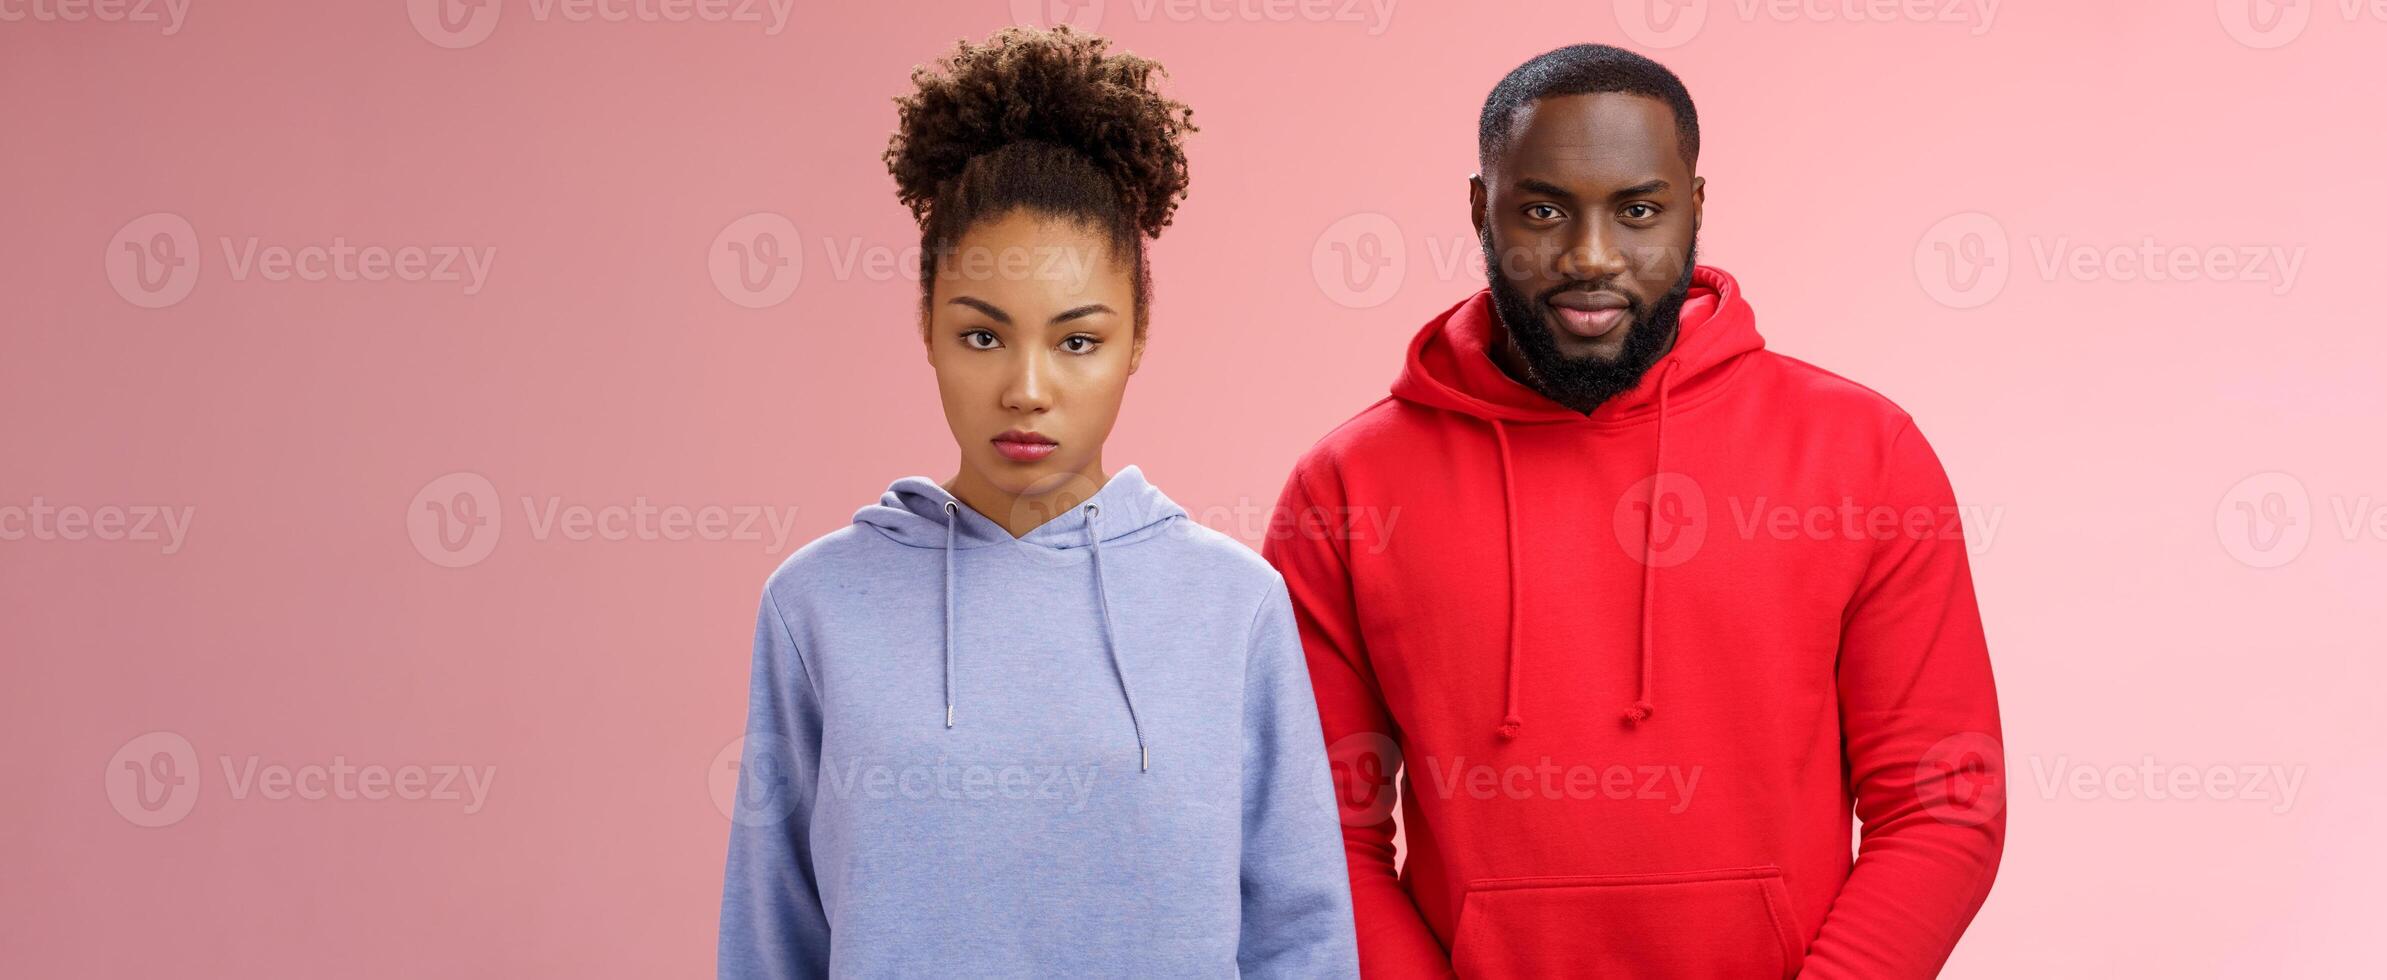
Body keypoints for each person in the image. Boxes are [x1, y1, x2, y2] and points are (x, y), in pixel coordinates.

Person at [1265, 43, 2005, 978]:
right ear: (1477, 209)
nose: (1590, 257)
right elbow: (1319, 832)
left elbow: (1944, 802)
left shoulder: (1863, 454)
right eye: (1542, 210)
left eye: (1638, 211)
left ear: (1696, 208)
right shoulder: (1346, 489)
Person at [719, 26, 1356, 977]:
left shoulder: (1236, 607)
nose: (1026, 388)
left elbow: (1299, 940)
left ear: (1137, 336)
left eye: (1077, 340)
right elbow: (773, 940)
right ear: (927, 326)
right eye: (983, 338)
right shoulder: (816, 605)